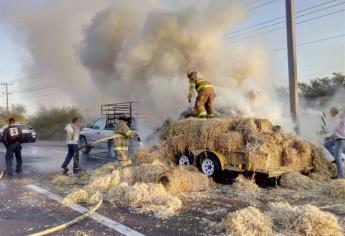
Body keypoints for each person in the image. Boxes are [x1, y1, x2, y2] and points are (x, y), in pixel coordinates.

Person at [324, 107, 345, 179]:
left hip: (340, 140)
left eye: (331, 113)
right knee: (327, 144)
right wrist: (328, 136)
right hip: (337, 139)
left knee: (337, 157)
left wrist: (325, 131)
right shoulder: (339, 118)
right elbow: (335, 131)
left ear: (334, 112)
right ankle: (340, 157)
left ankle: (341, 175)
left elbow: (331, 128)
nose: (330, 114)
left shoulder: (339, 118)